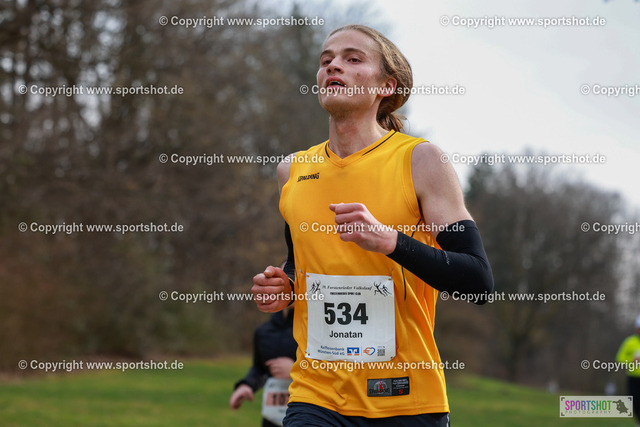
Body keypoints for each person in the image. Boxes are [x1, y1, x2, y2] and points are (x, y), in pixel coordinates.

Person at [251, 24, 494, 426]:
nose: (333, 66)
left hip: (404, 396)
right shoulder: (292, 170)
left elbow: (478, 281)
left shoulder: (421, 161)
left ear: (386, 85)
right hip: (315, 394)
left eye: (352, 59)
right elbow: (300, 261)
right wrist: (286, 286)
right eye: (326, 60)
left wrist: (391, 241)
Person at [230, 305, 296, 427]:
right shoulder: (263, 332)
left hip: (306, 414)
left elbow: (329, 369)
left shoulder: (316, 330)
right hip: (272, 418)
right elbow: (260, 369)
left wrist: (296, 370)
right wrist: (247, 385)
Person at [616, 315, 640, 423]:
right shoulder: (629, 342)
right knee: (635, 402)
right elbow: (620, 358)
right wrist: (631, 361)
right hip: (633, 377)